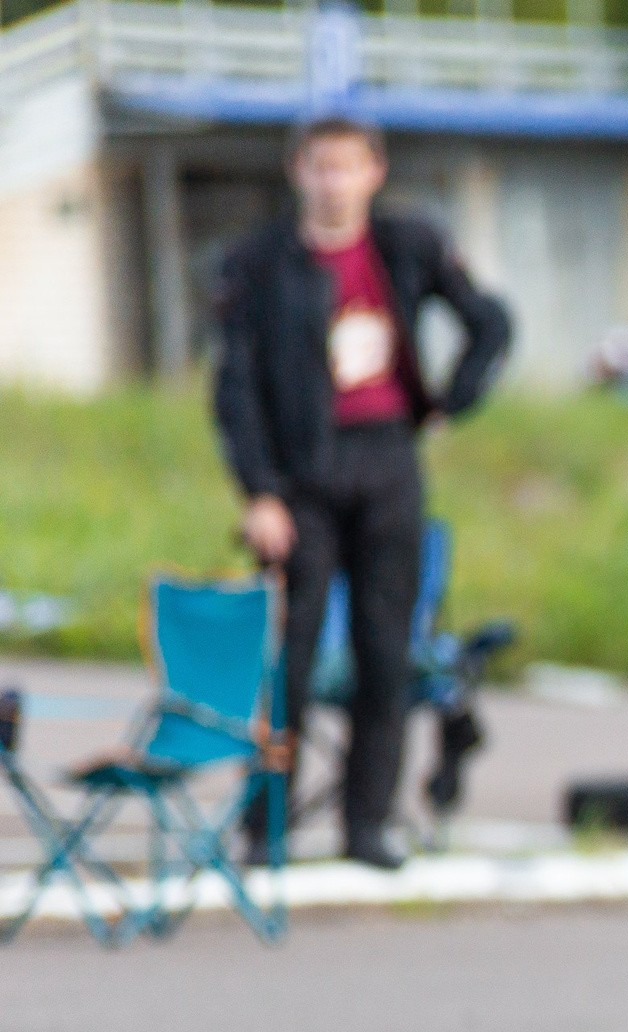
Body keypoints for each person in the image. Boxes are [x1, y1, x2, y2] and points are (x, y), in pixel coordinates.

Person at [213, 116, 511, 869]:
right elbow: (235, 386)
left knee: (386, 651)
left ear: (373, 172)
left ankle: (365, 823)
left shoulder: (407, 245)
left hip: (388, 461)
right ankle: (267, 825)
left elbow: (490, 322)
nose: (332, 182)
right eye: (319, 167)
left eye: (346, 167)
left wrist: (451, 397)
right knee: (297, 655)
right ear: (297, 172)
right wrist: (259, 492)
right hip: (303, 473)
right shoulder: (261, 263)